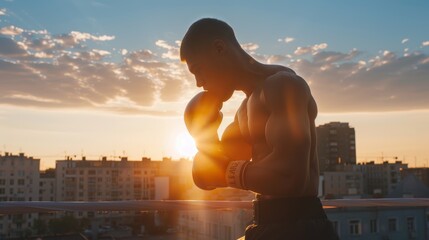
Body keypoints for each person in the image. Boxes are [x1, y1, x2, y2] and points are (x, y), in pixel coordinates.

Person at [181, 18, 339, 240]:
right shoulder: (243, 112)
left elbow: (290, 177)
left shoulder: (283, 86)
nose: (198, 82)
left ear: (219, 48)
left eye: (198, 70)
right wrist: (202, 135)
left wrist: (226, 171)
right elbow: (205, 175)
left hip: (300, 227)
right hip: (265, 223)